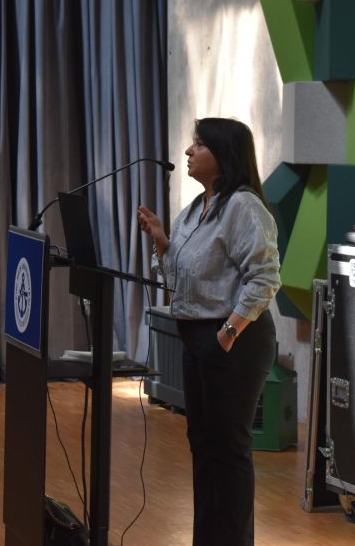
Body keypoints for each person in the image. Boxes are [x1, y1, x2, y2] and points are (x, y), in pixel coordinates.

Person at [137, 117, 281, 546]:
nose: (188, 151)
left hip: (235, 340)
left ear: (223, 156)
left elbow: (265, 277)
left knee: (228, 450)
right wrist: (161, 240)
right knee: (203, 445)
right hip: (198, 339)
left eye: (198, 144)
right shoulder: (195, 210)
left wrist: (228, 333)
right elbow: (181, 276)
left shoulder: (243, 206)